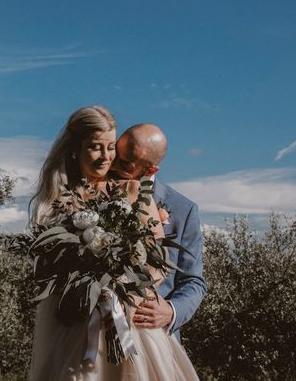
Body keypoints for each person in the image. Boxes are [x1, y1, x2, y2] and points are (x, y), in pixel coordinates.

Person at [28, 106, 199, 380]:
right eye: (96, 147)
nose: (106, 157)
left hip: (131, 324)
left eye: (110, 148)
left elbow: (159, 259)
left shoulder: (133, 191)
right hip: (78, 327)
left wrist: (123, 292)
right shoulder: (58, 201)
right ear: (75, 148)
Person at [112, 124, 206, 343]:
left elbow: (193, 280)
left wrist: (171, 311)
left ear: (151, 170)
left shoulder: (184, 210)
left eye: (125, 162)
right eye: (116, 154)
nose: (113, 164)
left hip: (154, 338)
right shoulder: (96, 191)